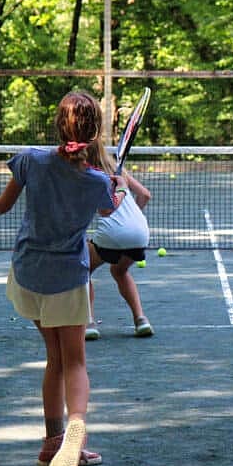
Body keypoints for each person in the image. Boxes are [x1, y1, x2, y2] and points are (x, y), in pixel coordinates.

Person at [0, 90, 127, 466]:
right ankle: (76, 428)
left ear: (58, 126)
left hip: (28, 275)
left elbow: (2, 204)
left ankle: (52, 442)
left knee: (54, 359)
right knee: (74, 361)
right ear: (95, 131)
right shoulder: (97, 181)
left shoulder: (29, 160)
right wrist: (117, 187)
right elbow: (109, 209)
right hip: (67, 280)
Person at [82, 142, 155, 340]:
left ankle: (88, 323)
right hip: (140, 232)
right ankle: (141, 319)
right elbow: (145, 195)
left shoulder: (86, 175)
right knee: (120, 270)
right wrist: (129, 222)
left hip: (112, 234)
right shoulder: (118, 170)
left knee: (83, 269)